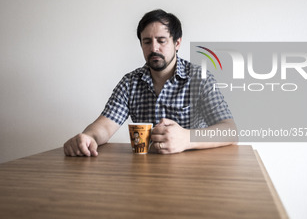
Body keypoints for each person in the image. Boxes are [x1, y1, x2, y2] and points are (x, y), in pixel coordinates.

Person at [64, 9, 237, 156]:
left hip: (195, 174)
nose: (154, 48)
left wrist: (187, 138)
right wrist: (88, 137)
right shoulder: (130, 83)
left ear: (177, 43)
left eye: (161, 41)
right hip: (144, 175)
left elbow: (230, 131)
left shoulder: (200, 78)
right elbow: (105, 126)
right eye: (147, 42)